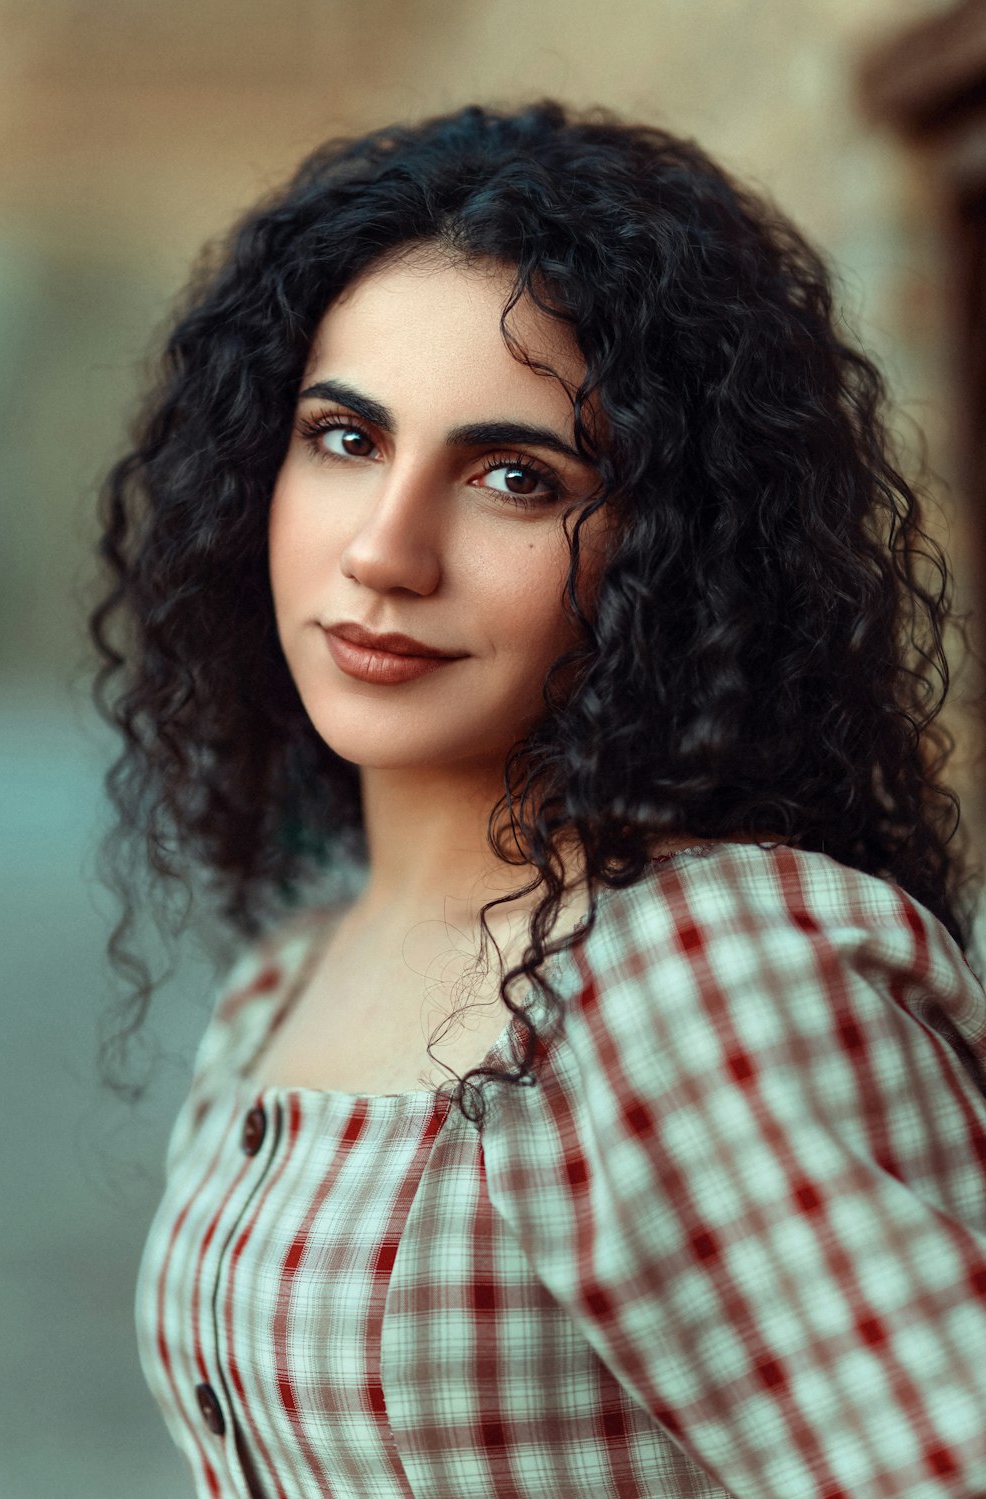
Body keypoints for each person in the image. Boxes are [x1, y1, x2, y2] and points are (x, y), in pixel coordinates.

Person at [89, 100, 986, 1499]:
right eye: (344, 439)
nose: (387, 551)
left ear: (673, 554)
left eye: (516, 477)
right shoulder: (291, 972)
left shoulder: (708, 977)